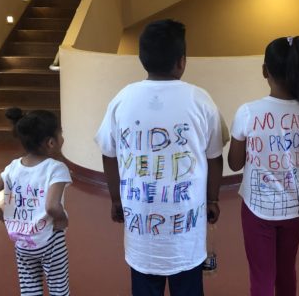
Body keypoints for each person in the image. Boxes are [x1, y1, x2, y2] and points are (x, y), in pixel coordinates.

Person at [95, 19, 225, 296]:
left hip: (141, 238)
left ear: (142, 59)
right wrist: (213, 199)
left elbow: (109, 154)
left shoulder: (122, 99)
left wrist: (116, 200)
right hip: (187, 239)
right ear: (182, 61)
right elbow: (214, 158)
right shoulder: (201, 100)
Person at [228, 36, 299, 296]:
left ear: (265, 70)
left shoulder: (248, 112)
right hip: (297, 208)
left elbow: (235, 164)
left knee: (262, 276)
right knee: (286, 270)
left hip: (258, 210)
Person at [0, 108, 72, 296]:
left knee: (30, 287)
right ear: (51, 142)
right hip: (50, 239)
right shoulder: (56, 168)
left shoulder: (13, 167)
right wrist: (62, 219)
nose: (63, 137)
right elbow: (52, 206)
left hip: (22, 242)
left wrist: (7, 219)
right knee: (58, 287)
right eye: (61, 133)